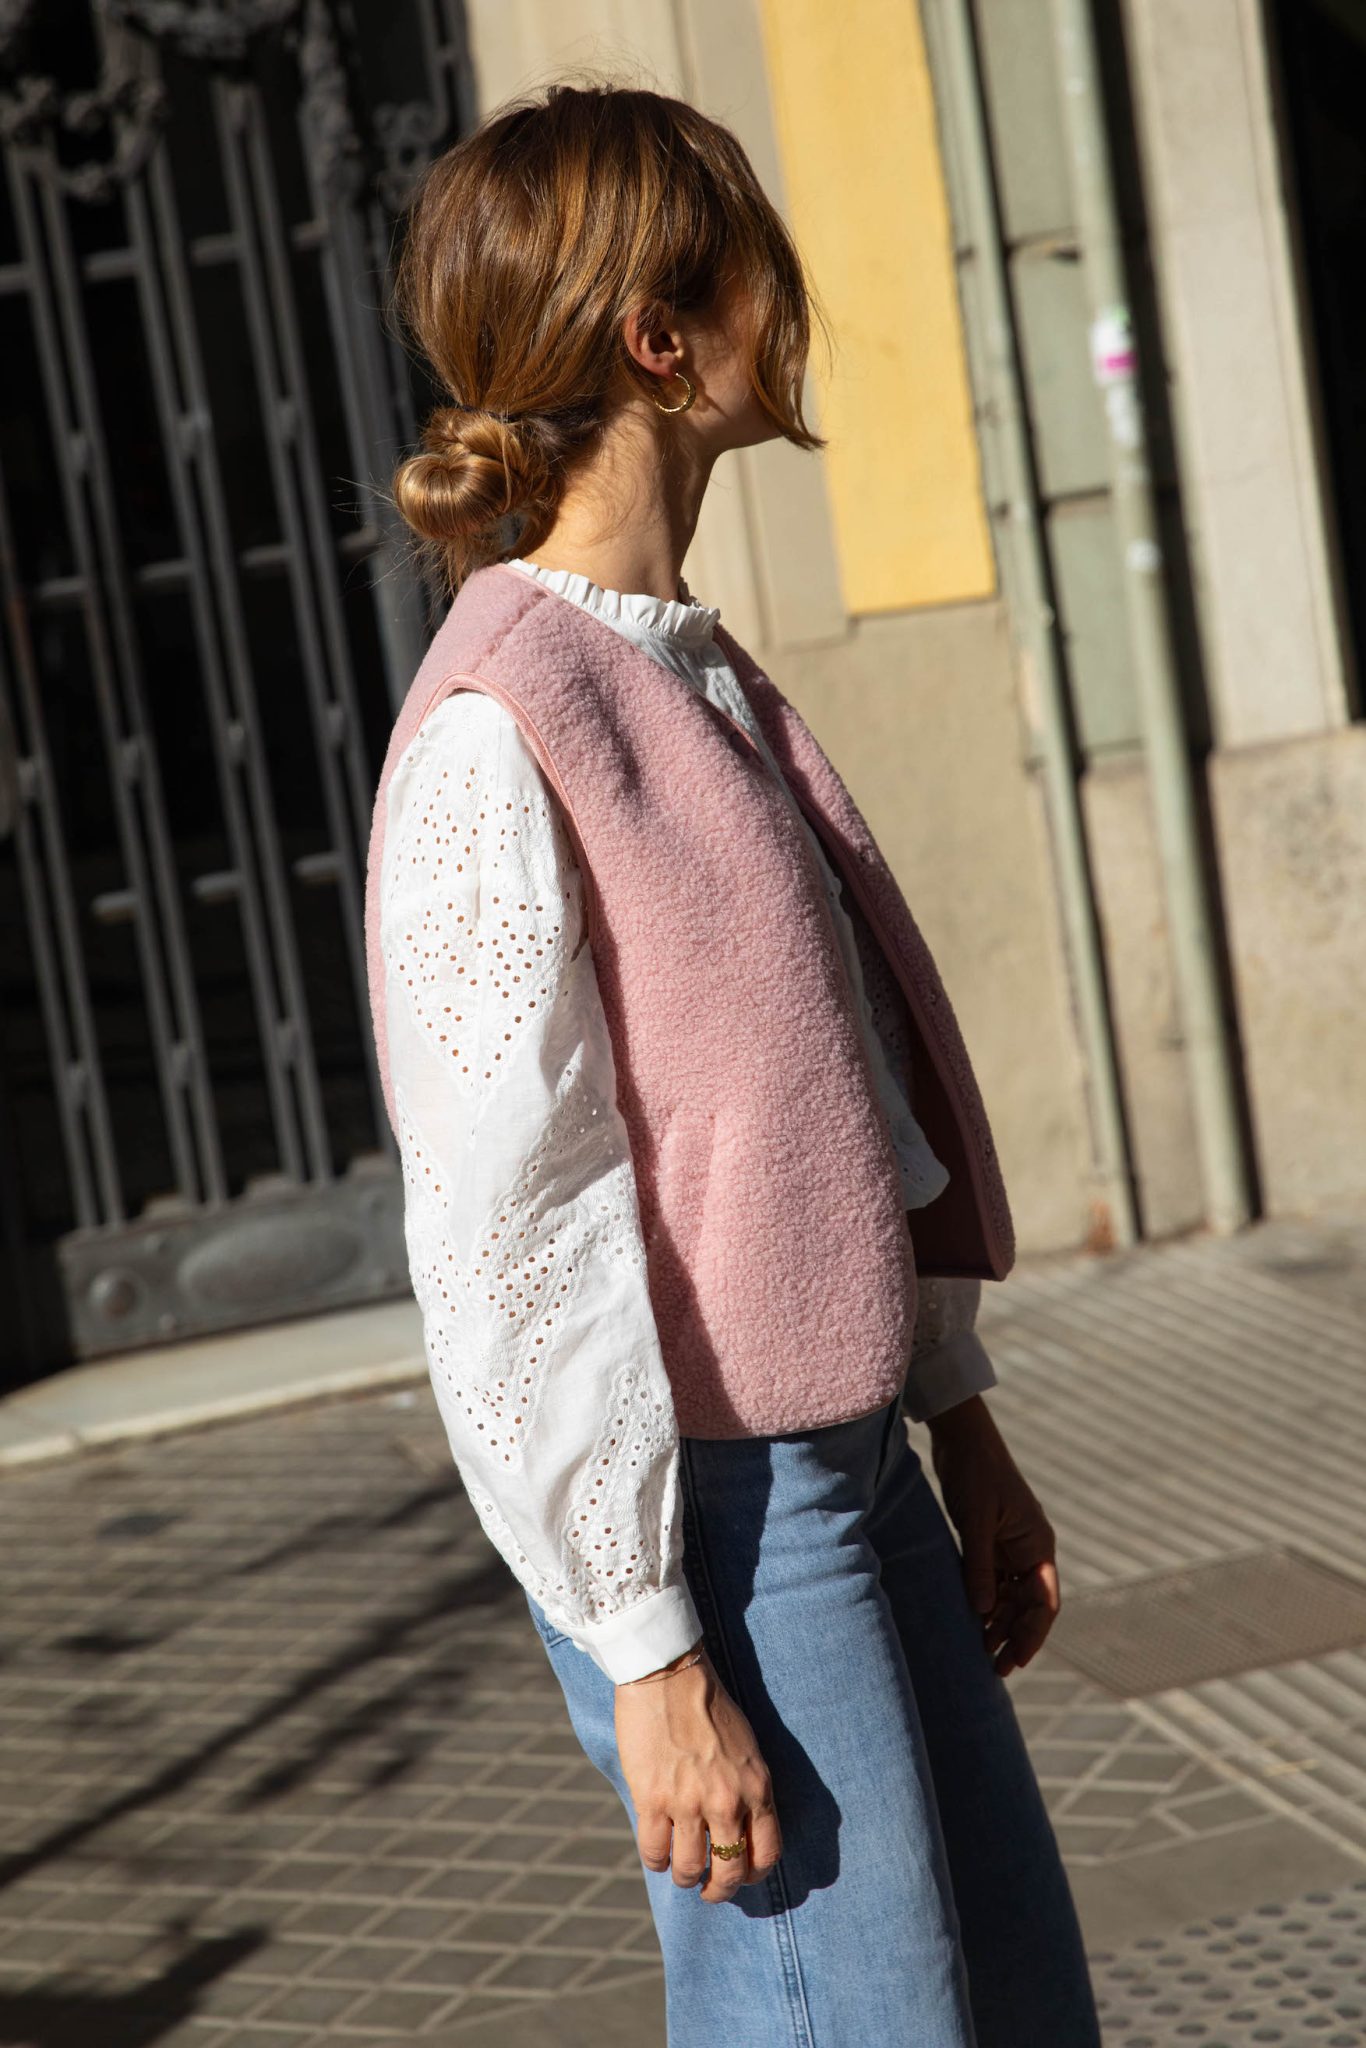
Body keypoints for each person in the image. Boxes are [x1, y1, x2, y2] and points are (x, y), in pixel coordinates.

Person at [364, 77, 1100, 2048]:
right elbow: (508, 1236)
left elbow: (827, 1098)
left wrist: (955, 1409)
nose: (799, 300)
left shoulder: (675, 664)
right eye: (756, 264)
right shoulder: (500, 727)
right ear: (658, 341)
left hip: (839, 1472)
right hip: (712, 1520)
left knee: (1007, 2005)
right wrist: (642, 1646)